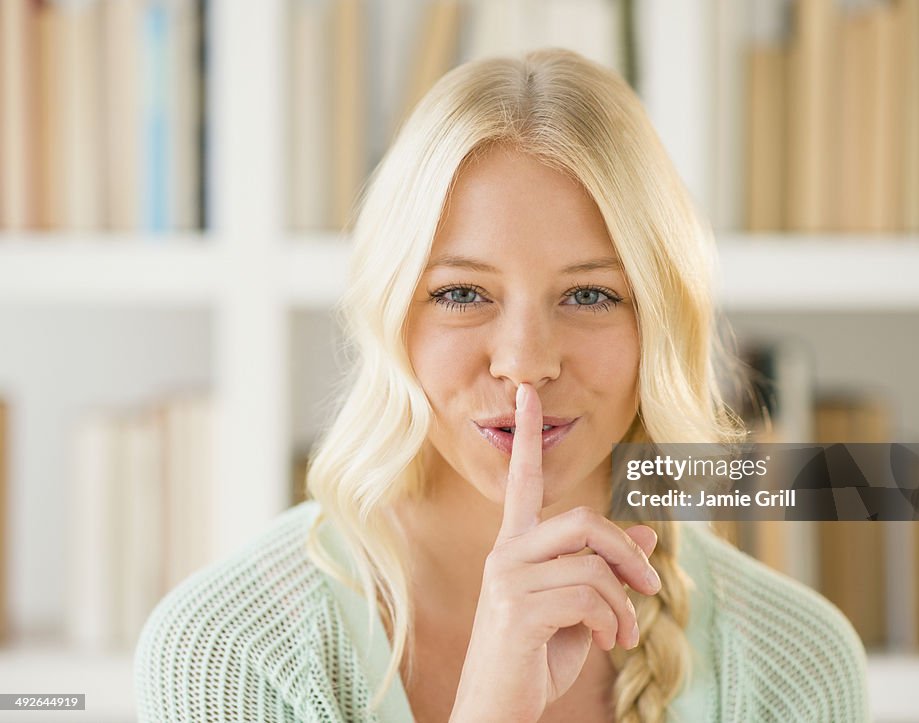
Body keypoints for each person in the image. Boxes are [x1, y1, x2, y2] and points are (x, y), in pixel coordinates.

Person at [134, 49, 870, 723]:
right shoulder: (226, 652)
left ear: (659, 323)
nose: (525, 362)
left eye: (589, 296)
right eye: (461, 293)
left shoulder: (795, 666)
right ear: (393, 314)